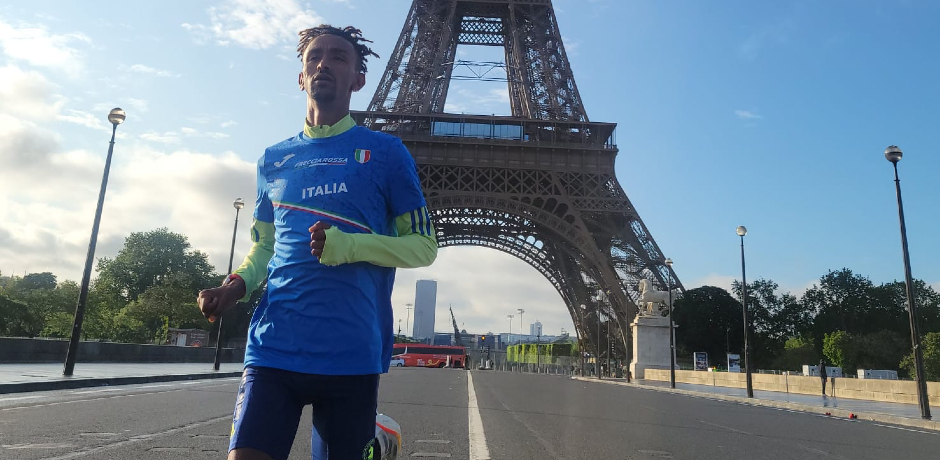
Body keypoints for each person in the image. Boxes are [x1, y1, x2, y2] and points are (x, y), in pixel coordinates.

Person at [196, 25, 437, 460]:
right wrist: (235, 285)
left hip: (351, 351)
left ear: (358, 80)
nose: (324, 63)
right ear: (301, 77)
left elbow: (423, 246)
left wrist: (350, 246)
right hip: (274, 343)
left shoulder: (386, 153)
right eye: (314, 57)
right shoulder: (273, 160)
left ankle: (377, 437)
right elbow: (265, 247)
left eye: (338, 57)